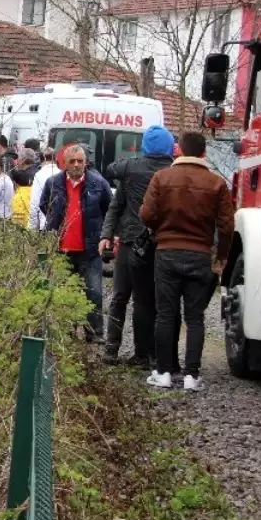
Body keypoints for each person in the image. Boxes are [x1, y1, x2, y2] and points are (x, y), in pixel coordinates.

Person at [140, 131, 235, 391]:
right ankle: (192, 376)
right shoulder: (217, 184)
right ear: (204, 153)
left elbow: (146, 214)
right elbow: (227, 226)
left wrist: (160, 230)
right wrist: (222, 256)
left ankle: (163, 373)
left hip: (167, 252)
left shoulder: (161, 178)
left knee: (166, 315)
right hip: (200, 255)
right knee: (195, 318)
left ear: (178, 150)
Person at [98, 125, 175, 368]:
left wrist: (107, 234)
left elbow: (115, 206)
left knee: (120, 296)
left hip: (130, 241)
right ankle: (144, 354)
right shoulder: (173, 172)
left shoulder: (129, 170)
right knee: (147, 300)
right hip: (160, 243)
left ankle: (112, 349)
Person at [38, 144, 112, 341]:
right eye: (73, 161)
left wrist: (103, 234)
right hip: (62, 249)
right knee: (63, 292)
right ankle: (67, 331)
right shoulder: (53, 183)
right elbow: (44, 204)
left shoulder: (99, 183)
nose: (77, 164)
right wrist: (56, 225)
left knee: (93, 292)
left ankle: (94, 333)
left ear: (86, 162)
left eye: (80, 160)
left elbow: (109, 209)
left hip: (89, 249)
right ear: (65, 163)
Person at [28, 147, 59, 230]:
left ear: (41, 160)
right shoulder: (62, 174)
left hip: (45, 223)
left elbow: (34, 203)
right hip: (61, 225)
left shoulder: (39, 175)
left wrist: (32, 227)